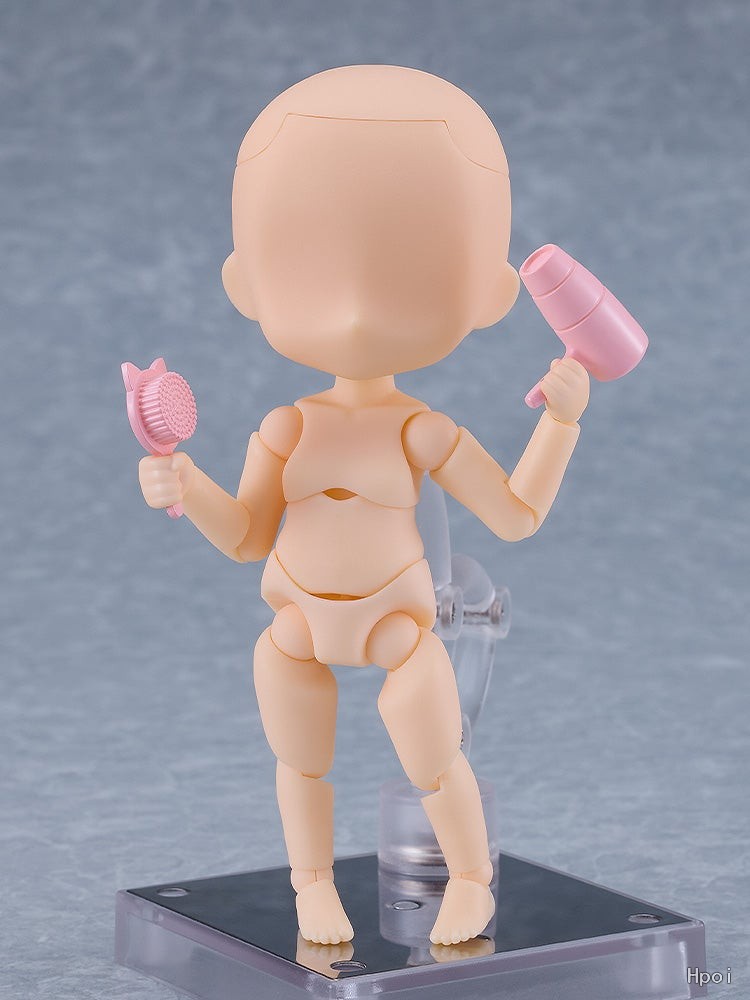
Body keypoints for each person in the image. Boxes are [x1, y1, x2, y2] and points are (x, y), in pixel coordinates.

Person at [137, 65, 589, 947]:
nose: (351, 307)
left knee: (435, 758)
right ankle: (311, 884)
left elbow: (515, 516)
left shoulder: (420, 430)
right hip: (296, 622)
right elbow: (248, 537)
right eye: (307, 261)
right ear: (246, 281)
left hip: (397, 627)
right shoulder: (287, 428)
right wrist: (186, 486)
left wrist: (561, 425)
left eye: (410, 268)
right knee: (298, 762)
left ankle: (469, 877)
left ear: (490, 293)